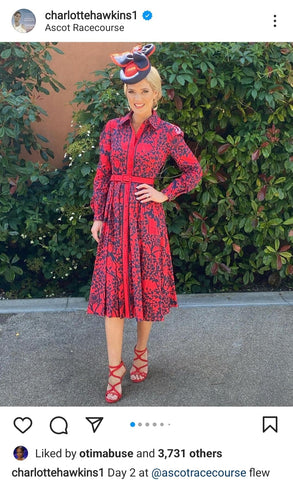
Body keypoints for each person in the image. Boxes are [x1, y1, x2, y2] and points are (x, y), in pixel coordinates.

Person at [87, 44, 202, 403]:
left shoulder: (168, 133)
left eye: (144, 91)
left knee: (145, 291)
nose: (137, 98)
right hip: (115, 221)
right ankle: (115, 369)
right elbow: (103, 173)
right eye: (131, 91)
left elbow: (194, 171)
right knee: (112, 297)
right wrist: (98, 213)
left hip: (147, 221)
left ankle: (140, 351)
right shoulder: (111, 129)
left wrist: (164, 193)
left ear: (157, 94)